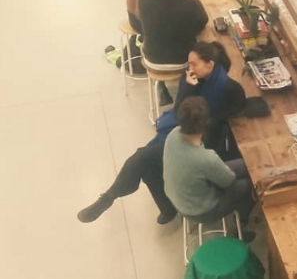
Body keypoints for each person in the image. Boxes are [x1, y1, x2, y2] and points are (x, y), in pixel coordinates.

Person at [77, 42, 246, 225]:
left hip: (201, 139)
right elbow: (179, 110)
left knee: (144, 159)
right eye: (189, 63)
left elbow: (238, 107)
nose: (190, 67)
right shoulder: (190, 78)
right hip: (180, 131)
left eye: (194, 63)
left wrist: (211, 121)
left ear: (210, 64)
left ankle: (159, 207)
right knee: (145, 161)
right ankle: (112, 198)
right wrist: (188, 87)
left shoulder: (228, 87)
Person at [163, 97, 256, 242]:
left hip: (178, 197)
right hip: (200, 210)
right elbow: (228, 181)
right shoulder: (205, 158)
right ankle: (239, 229)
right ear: (206, 123)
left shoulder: (173, 135)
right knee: (249, 185)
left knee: (246, 166)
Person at [138, 0, 208, 67]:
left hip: (152, 60)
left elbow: (141, 19)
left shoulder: (143, 0)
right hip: (184, 60)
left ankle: (163, 83)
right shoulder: (192, 3)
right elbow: (203, 22)